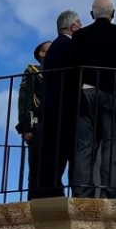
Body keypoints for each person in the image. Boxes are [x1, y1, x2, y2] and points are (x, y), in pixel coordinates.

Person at [69, 0, 116, 198]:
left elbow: (74, 66)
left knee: (84, 145)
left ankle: (81, 192)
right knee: (113, 144)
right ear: (113, 14)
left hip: (86, 92)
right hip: (115, 93)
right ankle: (109, 192)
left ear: (92, 14)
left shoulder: (80, 36)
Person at [30, 10, 81, 199]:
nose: (81, 28)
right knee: (63, 154)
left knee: (55, 155)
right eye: (80, 24)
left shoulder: (55, 48)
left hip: (53, 108)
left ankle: (50, 191)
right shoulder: (67, 45)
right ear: (73, 26)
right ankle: (54, 192)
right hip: (64, 108)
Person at [16, 40, 50, 192]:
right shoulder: (33, 71)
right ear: (42, 54)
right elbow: (25, 99)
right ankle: (34, 202)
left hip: (56, 122)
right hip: (38, 124)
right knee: (37, 167)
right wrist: (26, 127)